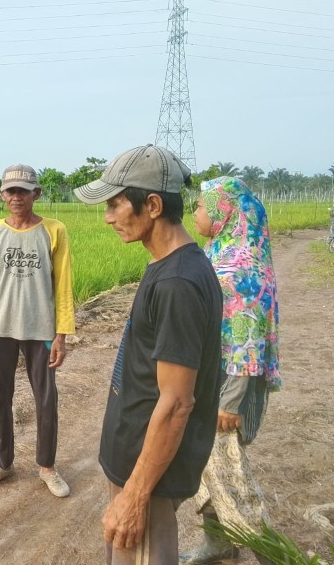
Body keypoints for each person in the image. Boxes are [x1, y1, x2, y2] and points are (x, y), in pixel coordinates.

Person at [73, 144, 223, 564]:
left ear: (153, 205)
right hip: (135, 456)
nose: (108, 217)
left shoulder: (177, 284)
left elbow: (176, 403)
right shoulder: (170, 266)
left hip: (148, 474)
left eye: (115, 204)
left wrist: (135, 495)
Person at [181, 176, 281, 565]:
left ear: (224, 212)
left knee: (229, 476)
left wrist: (231, 401)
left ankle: (276, 557)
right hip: (209, 381)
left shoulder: (241, 268)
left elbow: (247, 339)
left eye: (202, 206)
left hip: (226, 389)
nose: (195, 212)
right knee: (206, 467)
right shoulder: (218, 252)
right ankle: (217, 542)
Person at [0, 164, 75, 498]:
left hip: (40, 328)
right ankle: (3, 463)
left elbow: (64, 285)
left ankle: (47, 467)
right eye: (10, 191)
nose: (17, 197)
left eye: (23, 191)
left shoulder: (54, 231)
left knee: (46, 399)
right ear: (2, 195)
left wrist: (62, 335)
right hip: (0, 328)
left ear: (36, 194)